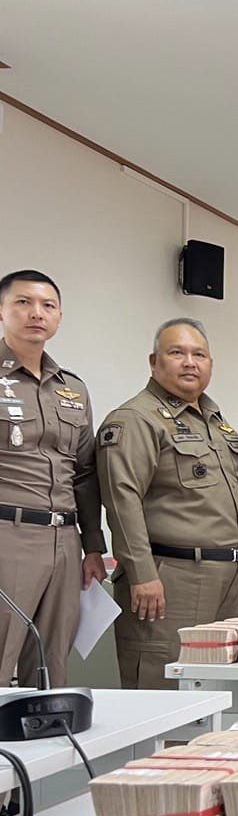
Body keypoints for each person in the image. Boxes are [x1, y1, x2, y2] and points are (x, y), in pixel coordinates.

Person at [98, 318, 238, 689]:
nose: (190, 362)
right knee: (163, 685)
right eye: (177, 353)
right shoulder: (136, 419)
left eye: (199, 355)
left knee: (214, 692)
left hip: (227, 578)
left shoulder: (216, 423)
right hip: (172, 577)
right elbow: (122, 500)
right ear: (154, 362)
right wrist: (142, 574)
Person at [0, 270, 107, 688]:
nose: (36, 313)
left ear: (59, 317)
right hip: (9, 532)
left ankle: (47, 730)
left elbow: (85, 473)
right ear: (2, 311)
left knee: (52, 662)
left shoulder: (73, 389)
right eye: (23, 303)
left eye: (47, 306)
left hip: (65, 539)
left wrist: (93, 545)